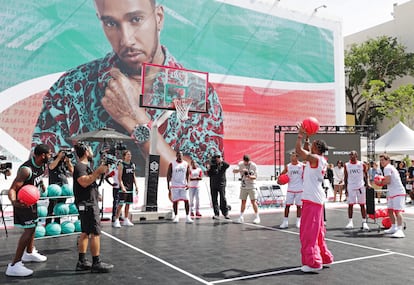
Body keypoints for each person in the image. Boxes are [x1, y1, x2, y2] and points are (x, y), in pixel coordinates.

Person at [31, 0, 224, 177]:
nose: (126, 39)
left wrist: (136, 120)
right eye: (111, 23)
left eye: (136, 20)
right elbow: (47, 174)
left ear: (159, 18)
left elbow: (193, 181)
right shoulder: (69, 90)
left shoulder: (200, 94)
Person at [5, 144, 52, 277]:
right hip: (22, 203)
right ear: (42, 155)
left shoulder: (42, 165)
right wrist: (14, 202)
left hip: (32, 202)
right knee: (29, 230)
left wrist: (41, 185)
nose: (50, 156)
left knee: (34, 227)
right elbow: (13, 189)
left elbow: (39, 177)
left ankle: (29, 253)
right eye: (49, 153)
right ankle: (14, 265)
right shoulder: (26, 170)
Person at [295, 125, 333, 272]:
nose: (311, 146)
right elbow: (305, 150)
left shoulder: (315, 158)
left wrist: (299, 135)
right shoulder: (320, 159)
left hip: (312, 199)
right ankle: (323, 257)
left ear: (317, 148)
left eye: (313, 144)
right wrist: (306, 138)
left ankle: (312, 262)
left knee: (308, 232)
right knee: (317, 232)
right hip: (315, 198)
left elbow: (299, 152)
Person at [73, 142, 114, 273]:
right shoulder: (80, 166)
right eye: (90, 150)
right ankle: (96, 262)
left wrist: (96, 193)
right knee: (95, 233)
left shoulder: (85, 166)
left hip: (88, 202)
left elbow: (89, 182)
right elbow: (84, 182)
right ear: (85, 152)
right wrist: (98, 171)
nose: (92, 152)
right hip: (88, 204)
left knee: (85, 232)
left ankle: (82, 261)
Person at [379, 153, 406, 238]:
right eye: (380, 160)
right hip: (392, 192)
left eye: (383, 160)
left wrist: (379, 182)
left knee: (398, 211)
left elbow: (388, 181)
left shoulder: (387, 168)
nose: (381, 162)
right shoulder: (389, 168)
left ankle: (400, 230)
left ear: (388, 160)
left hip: (398, 192)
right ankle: (393, 227)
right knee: (390, 210)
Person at [46, 149, 74, 225]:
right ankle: (48, 222)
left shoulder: (64, 162)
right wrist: (58, 158)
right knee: (51, 205)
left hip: (64, 187)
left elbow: (72, 170)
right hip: (54, 188)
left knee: (60, 206)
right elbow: (51, 167)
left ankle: (57, 222)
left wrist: (68, 161)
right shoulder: (52, 159)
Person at [343, 151, 370, 231]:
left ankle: (364, 222)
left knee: (362, 205)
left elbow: (366, 175)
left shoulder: (362, 164)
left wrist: (367, 184)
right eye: (350, 155)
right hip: (351, 186)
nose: (351, 156)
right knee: (350, 205)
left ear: (356, 156)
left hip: (360, 186)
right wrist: (346, 188)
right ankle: (350, 222)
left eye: (352, 155)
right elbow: (345, 177)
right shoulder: (346, 165)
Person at [113, 150, 138, 228]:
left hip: (130, 187)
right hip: (124, 187)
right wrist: (122, 186)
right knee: (121, 204)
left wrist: (136, 185)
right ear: (124, 156)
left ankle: (126, 219)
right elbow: (119, 177)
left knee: (128, 204)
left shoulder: (132, 165)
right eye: (128, 154)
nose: (129, 156)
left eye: (130, 154)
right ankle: (116, 220)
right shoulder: (121, 165)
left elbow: (133, 176)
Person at [278, 152, 304, 229]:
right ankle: (285, 222)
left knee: (299, 206)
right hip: (290, 189)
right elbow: (282, 174)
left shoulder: (302, 166)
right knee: (287, 206)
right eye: (291, 156)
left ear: (297, 157)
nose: (292, 158)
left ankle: (298, 221)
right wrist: (279, 180)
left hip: (299, 189)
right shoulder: (288, 166)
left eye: (293, 156)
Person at [167, 150, 193, 224]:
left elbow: (188, 175)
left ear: (182, 155)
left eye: (181, 155)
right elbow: (168, 175)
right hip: (175, 185)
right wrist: (168, 185)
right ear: (176, 156)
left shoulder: (186, 164)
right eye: (178, 155)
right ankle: (176, 216)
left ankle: (188, 216)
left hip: (183, 185)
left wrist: (188, 183)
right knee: (175, 201)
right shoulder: (172, 164)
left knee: (186, 201)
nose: (179, 156)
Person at [233, 155, 260, 224]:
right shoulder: (240, 164)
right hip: (244, 186)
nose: (246, 163)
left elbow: (255, 177)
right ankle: (241, 217)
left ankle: (257, 217)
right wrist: (241, 170)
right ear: (243, 160)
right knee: (243, 201)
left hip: (251, 186)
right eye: (245, 162)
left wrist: (249, 176)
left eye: (248, 162)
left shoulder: (254, 165)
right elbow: (234, 171)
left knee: (253, 201)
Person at [206, 154, 230, 220]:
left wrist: (221, 161)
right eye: (216, 158)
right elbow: (209, 174)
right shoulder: (212, 165)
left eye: (218, 158)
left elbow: (228, 165)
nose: (216, 160)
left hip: (221, 184)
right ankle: (216, 214)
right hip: (213, 184)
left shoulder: (223, 165)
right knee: (214, 199)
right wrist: (208, 169)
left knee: (223, 198)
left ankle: (225, 213)